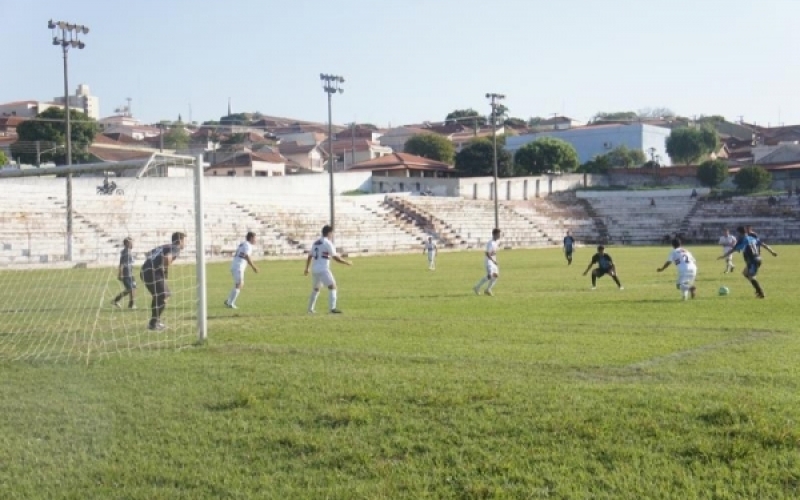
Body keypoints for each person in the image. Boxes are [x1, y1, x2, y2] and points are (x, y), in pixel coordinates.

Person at [141, 232, 186, 330]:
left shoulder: (164, 246)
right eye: (184, 241)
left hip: (144, 270)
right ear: (180, 241)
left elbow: (148, 254)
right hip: (153, 272)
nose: (185, 244)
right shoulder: (175, 248)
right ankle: (153, 323)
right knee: (165, 295)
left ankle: (154, 322)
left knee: (158, 296)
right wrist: (164, 270)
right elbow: (166, 258)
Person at [718, 226, 778, 299]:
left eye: (737, 233)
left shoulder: (742, 240)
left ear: (740, 233)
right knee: (745, 273)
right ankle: (757, 290)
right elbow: (763, 245)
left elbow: (732, 250)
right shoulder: (752, 238)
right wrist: (772, 252)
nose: (737, 235)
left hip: (753, 261)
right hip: (756, 259)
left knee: (751, 277)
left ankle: (761, 293)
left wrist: (723, 256)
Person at [304, 225, 352, 314]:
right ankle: (332, 309)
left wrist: (307, 268)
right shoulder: (327, 243)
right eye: (332, 233)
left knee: (316, 289)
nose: (333, 235)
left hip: (315, 269)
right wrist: (346, 262)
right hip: (323, 269)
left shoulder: (316, 243)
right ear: (329, 233)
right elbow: (335, 257)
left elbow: (310, 255)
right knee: (332, 286)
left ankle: (310, 309)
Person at [224, 231, 259, 309]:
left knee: (239, 284)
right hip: (238, 266)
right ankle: (230, 303)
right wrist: (254, 267)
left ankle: (229, 300)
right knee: (240, 284)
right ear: (251, 238)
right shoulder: (248, 245)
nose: (256, 240)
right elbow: (247, 256)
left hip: (235, 265)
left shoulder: (243, 244)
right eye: (255, 238)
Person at [473, 229, 501, 296]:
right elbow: (487, 253)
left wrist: (494, 261)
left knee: (496, 275)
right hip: (489, 262)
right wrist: (493, 261)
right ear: (494, 234)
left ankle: (488, 289)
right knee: (490, 276)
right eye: (498, 234)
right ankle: (477, 287)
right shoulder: (490, 243)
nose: (499, 235)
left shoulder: (495, 243)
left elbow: (493, 253)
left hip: (493, 262)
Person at [112, 237, 136, 309]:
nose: (133, 244)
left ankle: (131, 304)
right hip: (126, 274)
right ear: (127, 243)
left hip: (131, 273)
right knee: (130, 289)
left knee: (133, 288)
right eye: (131, 242)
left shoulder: (128, 251)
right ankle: (117, 301)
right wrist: (120, 274)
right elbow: (122, 264)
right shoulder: (125, 252)